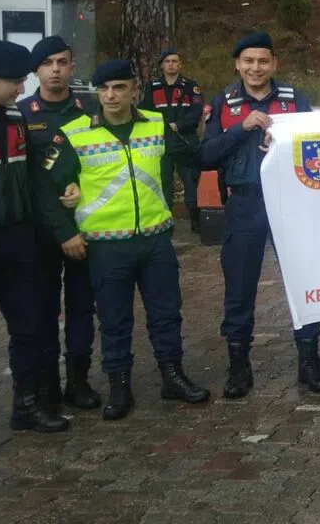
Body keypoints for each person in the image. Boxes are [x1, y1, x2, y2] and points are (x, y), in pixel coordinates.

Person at [43, 60, 210, 420]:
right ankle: (119, 387)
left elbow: (199, 156)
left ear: (134, 90)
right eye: (104, 89)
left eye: (119, 87)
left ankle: (172, 376)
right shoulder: (74, 133)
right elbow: (46, 184)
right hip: (106, 246)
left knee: (167, 314)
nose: (110, 95)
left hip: (155, 239)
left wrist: (242, 133)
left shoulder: (156, 124)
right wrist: (65, 230)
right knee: (114, 320)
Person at [199, 32, 320, 398]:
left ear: (274, 64)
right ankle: (239, 367)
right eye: (248, 61)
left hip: (291, 204)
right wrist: (240, 129)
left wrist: (285, 143)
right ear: (237, 65)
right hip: (245, 204)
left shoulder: (293, 99)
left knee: (302, 282)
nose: (255, 68)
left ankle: (310, 361)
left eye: (262, 61)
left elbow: (317, 144)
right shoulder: (223, 103)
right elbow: (205, 156)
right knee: (239, 287)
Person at [0, 40, 71, 454]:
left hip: (18, 238)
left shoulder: (18, 117)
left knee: (29, 325)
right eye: (15, 81)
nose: (22, 88)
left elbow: (37, 176)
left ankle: (27, 405)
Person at [18, 35, 102, 413]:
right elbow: (26, 179)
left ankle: (79, 381)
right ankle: (48, 383)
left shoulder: (91, 109)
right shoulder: (22, 114)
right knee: (44, 309)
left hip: (86, 224)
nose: (55, 70)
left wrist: (82, 186)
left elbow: (102, 164)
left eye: (62, 62)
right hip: (41, 232)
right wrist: (59, 224)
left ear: (72, 67)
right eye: (48, 63)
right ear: (36, 71)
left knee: (82, 306)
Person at [141, 47, 204, 233]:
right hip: (162, 142)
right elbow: (145, 111)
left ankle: (196, 222)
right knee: (163, 183)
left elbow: (196, 111)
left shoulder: (190, 86)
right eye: (167, 61)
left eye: (174, 61)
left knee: (191, 182)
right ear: (161, 65)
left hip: (186, 141)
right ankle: (166, 222)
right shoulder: (152, 87)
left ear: (180, 64)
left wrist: (179, 125)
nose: (171, 65)